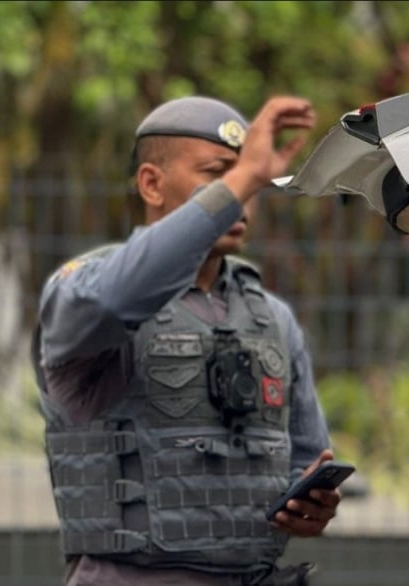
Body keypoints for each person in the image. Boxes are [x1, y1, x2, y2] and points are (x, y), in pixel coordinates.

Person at [31, 94, 340, 586]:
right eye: (217, 174)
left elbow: (306, 455)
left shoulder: (272, 317)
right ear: (152, 184)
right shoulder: (82, 292)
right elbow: (118, 298)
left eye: (250, 179)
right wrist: (242, 180)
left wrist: (309, 499)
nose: (240, 196)